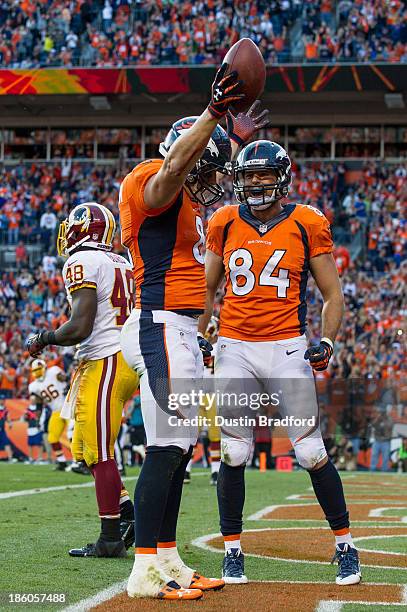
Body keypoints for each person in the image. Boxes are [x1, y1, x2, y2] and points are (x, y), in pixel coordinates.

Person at [200, 139, 361, 586]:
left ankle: (345, 544)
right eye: (248, 174)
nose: (255, 182)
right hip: (234, 345)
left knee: (310, 451)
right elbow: (206, 291)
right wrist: (201, 336)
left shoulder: (307, 221)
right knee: (233, 451)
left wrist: (327, 340)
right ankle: (232, 552)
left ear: (282, 178)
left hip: (288, 347)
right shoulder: (225, 220)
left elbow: (333, 295)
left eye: (263, 174)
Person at [118, 63, 247, 600]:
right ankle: (143, 569)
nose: (212, 183)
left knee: (181, 447)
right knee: (166, 447)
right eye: (209, 169)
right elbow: (171, 170)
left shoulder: (191, 201)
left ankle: (166, 557)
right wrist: (213, 112)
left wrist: (230, 137)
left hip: (182, 329)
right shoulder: (152, 177)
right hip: (156, 323)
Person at [26, 202, 139, 558]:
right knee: (88, 449)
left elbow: (80, 326)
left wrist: (43, 337)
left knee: (99, 451)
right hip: (122, 358)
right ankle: (125, 514)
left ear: (81, 229)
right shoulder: (122, 261)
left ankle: (110, 538)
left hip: (105, 358)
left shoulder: (81, 261)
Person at [28, 358, 69, 470]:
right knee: (52, 437)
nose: (37, 372)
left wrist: (66, 382)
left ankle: (80, 462)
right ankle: (62, 462)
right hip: (55, 411)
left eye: (39, 369)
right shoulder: (34, 386)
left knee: (72, 435)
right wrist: (37, 417)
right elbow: (39, 403)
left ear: (45, 367)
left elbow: (67, 379)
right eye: (35, 370)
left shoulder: (53, 371)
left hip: (68, 406)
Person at [0, 397, 14, 461]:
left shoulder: (5, 410)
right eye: (1, 400)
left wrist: (10, 423)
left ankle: (10, 458)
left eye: (3, 400)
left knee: (6, 443)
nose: (2, 401)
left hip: (2, 429)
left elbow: (8, 418)